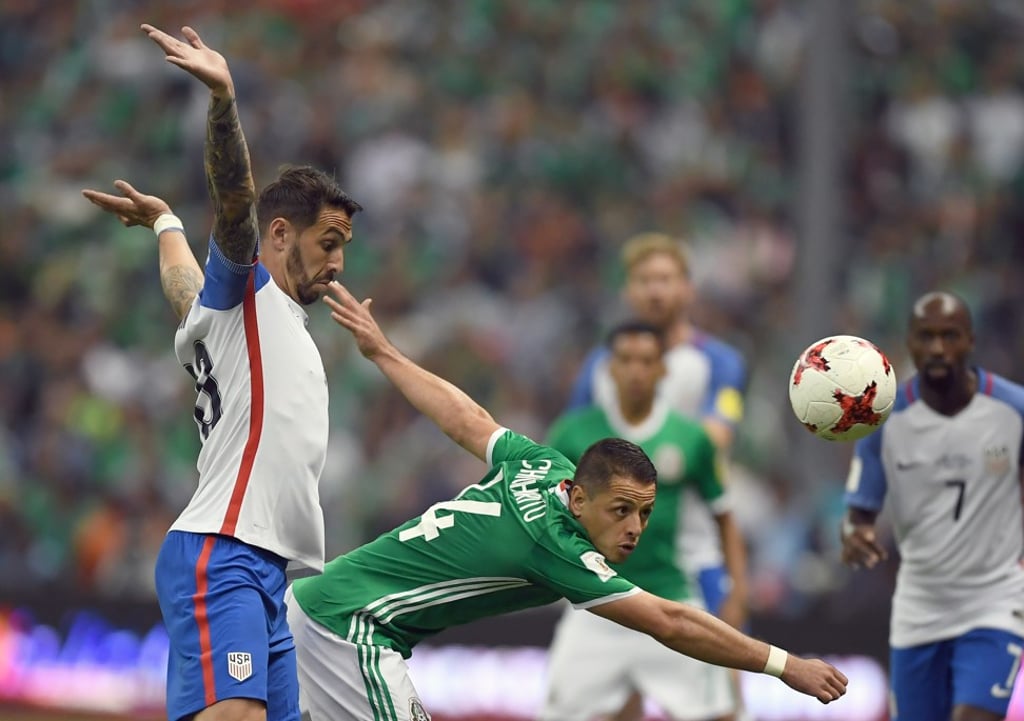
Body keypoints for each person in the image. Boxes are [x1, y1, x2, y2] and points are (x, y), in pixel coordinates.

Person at [284, 281, 848, 721]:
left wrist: (384, 352)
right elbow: (672, 621)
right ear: (579, 498)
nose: (635, 527)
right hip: (352, 628)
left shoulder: (540, 463)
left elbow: (467, 419)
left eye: (645, 512)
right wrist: (785, 664)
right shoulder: (559, 549)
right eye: (621, 509)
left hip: (311, 604)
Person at [83, 23, 362, 721]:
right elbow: (236, 201)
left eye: (344, 248)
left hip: (264, 569)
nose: (337, 264)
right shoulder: (250, 294)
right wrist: (223, 102)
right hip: (226, 552)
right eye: (327, 243)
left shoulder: (226, 316)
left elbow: (181, 285)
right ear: (278, 235)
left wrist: (163, 225)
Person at [567, 232, 750, 719]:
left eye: (666, 280)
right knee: (619, 696)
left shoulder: (720, 363)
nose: (655, 291)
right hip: (620, 551)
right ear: (628, 290)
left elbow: (715, 439)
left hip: (692, 551)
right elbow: (575, 449)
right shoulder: (599, 366)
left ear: (688, 289)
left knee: (722, 694)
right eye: (645, 281)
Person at [841, 291, 1024, 721]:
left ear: (971, 341)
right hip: (919, 604)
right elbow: (858, 516)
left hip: (994, 598)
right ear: (909, 342)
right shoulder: (882, 421)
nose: (938, 348)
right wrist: (856, 537)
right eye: (927, 336)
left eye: (950, 336)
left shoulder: (1014, 410)